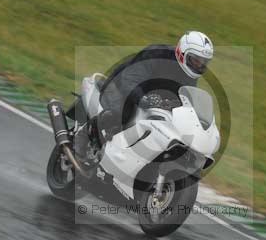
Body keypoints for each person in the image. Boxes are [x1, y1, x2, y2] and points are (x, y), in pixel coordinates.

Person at [72, 30, 214, 160]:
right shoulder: (157, 54)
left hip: (150, 101)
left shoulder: (190, 75)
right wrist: (142, 98)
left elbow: (185, 98)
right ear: (182, 52)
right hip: (120, 86)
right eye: (195, 60)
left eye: (203, 63)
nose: (198, 66)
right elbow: (130, 79)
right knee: (123, 111)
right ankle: (85, 134)